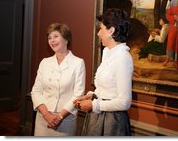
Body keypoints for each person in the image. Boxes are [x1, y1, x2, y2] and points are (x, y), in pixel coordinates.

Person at [74, 8, 133, 136]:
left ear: (111, 31)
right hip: (98, 117)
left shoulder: (123, 57)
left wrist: (94, 105)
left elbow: (125, 102)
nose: (98, 34)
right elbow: (107, 88)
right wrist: (91, 95)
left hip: (112, 122)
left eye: (101, 29)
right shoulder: (107, 53)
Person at [31, 23, 86, 136]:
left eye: (56, 36)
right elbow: (36, 91)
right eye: (49, 37)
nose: (52, 40)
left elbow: (78, 95)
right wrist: (46, 115)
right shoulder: (45, 62)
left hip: (65, 120)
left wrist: (59, 116)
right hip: (43, 118)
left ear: (66, 39)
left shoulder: (78, 63)